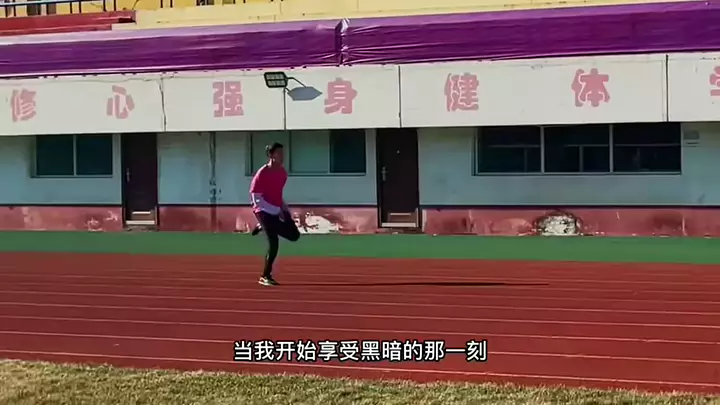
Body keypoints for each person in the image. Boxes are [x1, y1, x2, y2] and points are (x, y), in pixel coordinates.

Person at [249, 142, 300, 286]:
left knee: (294, 235)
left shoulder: (282, 173)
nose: (282, 156)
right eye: (279, 153)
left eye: (283, 153)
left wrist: (284, 210)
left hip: (276, 209)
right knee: (274, 243)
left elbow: (277, 194)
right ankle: (265, 276)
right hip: (263, 211)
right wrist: (274, 211)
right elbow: (255, 198)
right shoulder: (262, 173)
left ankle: (262, 226)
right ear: (271, 155)